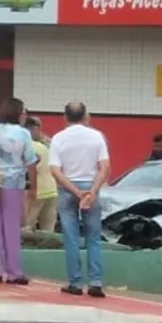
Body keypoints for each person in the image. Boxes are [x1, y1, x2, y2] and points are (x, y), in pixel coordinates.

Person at [49, 102, 111, 298]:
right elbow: (105, 167)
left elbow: (55, 170)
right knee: (93, 238)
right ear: (85, 116)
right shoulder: (97, 136)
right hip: (91, 187)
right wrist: (92, 192)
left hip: (68, 189)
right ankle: (95, 282)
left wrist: (76, 192)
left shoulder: (58, 138)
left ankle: (75, 282)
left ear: (65, 117)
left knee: (71, 238)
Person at [0, 98, 38, 285]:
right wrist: (33, 187)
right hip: (13, 183)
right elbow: (31, 162)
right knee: (12, 228)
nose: (25, 116)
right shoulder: (23, 133)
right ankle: (14, 272)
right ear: (17, 114)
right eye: (23, 112)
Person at [23, 116, 57, 232]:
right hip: (52, 190)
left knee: (26, 227)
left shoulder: (28, 146)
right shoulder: (45, 146)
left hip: (36, 192)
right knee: (48, 231)